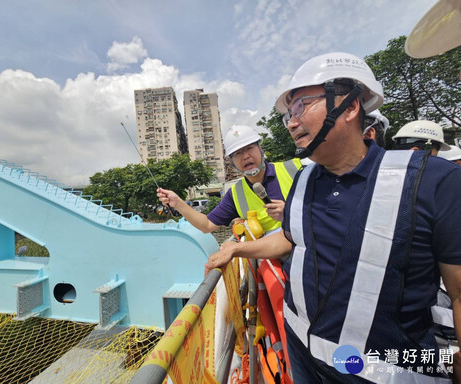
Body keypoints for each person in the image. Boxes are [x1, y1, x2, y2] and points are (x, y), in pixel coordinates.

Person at [206, 52, 461, 383]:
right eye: (288, 115)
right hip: (303, 355)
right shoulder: (304, 181)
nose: (292, 123)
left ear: (351, 106)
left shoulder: (432, 181)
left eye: (301, 107)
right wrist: (236, 249)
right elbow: (290, 237)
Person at [157, 124, 302, 234]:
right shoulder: (236, 194)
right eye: (237, 153)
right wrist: (178, 203)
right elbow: (207, 225)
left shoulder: (296, 169)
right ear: (232, 162)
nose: (245, 156)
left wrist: (291, 212)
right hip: (273, 264)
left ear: (260, 149)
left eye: (249, 148)